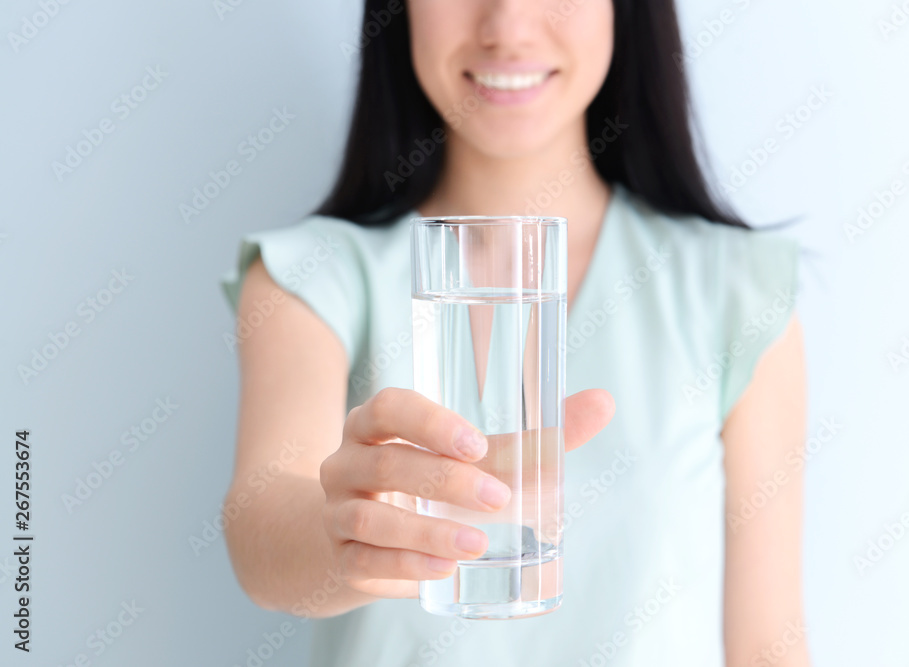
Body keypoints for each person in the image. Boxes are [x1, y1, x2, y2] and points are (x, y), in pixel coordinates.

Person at [220, 1, 810, 665]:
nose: (507, 26)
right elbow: (261, 523)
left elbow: (768, 646)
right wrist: (343, 532)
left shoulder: (734, 292)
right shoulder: (314, 277)